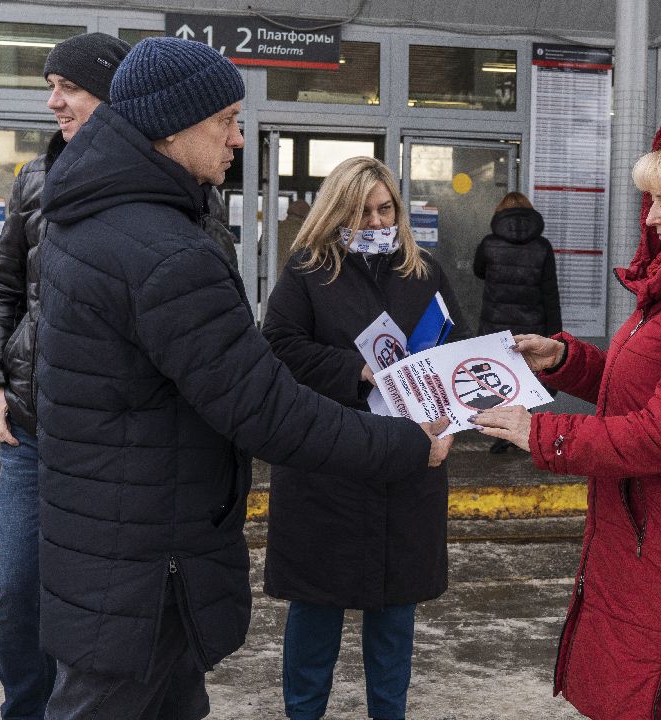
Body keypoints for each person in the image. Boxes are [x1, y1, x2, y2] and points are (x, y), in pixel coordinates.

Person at [34, 37, 451, 720]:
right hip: (146, 564)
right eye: (226, 120)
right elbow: (265, 407)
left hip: (120, 540)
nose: (238, 138)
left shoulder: (102, 220)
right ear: (173, 126)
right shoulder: (164, 251)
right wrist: (406, 443)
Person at [473, 126, 661, 720]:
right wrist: (563, 360)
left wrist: (541, 434)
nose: (654, 218)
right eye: (652, 202)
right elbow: (637, 387)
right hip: (645, 522)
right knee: (626, 686)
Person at [262, 156, 469, 720]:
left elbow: (456, 352)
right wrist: (358, 370)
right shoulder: (308, 270)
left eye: (385, 210)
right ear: (336, 213)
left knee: (394, 617)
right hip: (326, 464)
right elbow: (278, 345)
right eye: (363, 212)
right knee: (315, 613)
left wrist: (448, 428)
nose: (377, 223)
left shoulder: (424, 271)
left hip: (407, 463)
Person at [0, 31, 130, 720]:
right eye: (50, 87)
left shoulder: (158, 182)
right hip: (30, 432)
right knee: (14, 592)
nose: (53, 101)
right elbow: (2, 291)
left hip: (110, 440)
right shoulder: (34, 179)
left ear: (111, 96)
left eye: (69, 87)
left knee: (93, 605)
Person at [472, 191, 561, 453]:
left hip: (495, 326)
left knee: (498, 379)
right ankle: (522, 434)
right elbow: (550, 292)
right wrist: (555, 332)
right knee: (527, 380)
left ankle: (502, 434)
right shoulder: (542, 247)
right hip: (533, 325)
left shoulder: (489, 244)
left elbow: (478, 271)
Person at [277, 198, 310, 277]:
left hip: (269, 278)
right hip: (292, 279)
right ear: (306, 216)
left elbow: (259, 251)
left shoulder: (274, 229)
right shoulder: (306, 234)